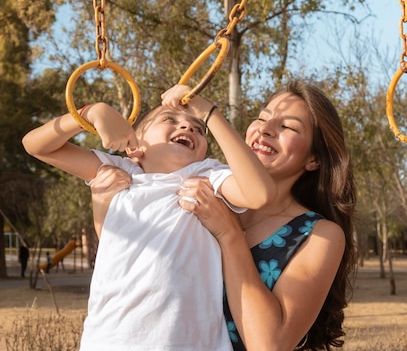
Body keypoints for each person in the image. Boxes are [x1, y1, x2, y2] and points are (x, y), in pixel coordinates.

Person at [90, 79, 356, 351]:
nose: (264, 130)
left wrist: (229, 235)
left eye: (287, 127)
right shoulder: (202, 187)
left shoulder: (319, 235)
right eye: (261, 118)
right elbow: (131, 261)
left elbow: (270, 345)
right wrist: (102, 203)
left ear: (315, 159)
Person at [22, 84, 276, 351]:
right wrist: (89, 113)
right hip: (109, 340)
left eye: (199, 129)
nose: (189, 128)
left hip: (190, 344)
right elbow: (36, 146)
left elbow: (259, 194)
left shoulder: (207, 175)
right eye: (169, 119)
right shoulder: (120, 172)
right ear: (134, 145)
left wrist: (210, 114)